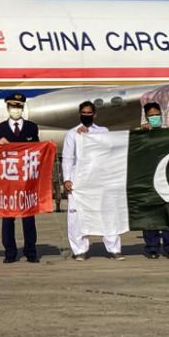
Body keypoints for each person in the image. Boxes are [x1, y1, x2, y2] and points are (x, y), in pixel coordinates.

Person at [62, 101, 124, 261]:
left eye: (89, 113)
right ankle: (79, 250)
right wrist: (67, 178)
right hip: (79, 179)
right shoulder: (72, 133)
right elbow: (68, 158)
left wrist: (89, 137)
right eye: (83, 113)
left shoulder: (103, 131)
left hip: (99, 178)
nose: (86, 116)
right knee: (77, 215)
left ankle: (114, 249)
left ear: (94, 114)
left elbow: (109, 150)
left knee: (107, 213)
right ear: (79, 114)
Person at [0, 94, 40, 263]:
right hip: (8, 181)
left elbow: (37, 150)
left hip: (26, 180)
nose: (16, 110)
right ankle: (10, 253)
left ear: (23, 108)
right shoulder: (0, 129)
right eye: (13, 106)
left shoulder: (31, 128)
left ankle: (31, 252)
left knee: (28, 218)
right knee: (8, 219)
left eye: (19, 106)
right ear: (8, 108)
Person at [137, 102, 169, 259]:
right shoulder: (141, 135)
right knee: (151, 215)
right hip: (148, 180)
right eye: (151, 115)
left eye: (157, 114)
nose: (154, 117)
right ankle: (152, 247)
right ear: (146, 117)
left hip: (167, 180)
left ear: (161, 114)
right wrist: (142, 133)